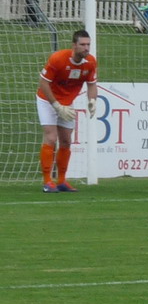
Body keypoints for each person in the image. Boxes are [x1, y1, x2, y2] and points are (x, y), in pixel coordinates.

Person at [36, 29, 98, 193]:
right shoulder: (58, 58)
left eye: (88, 44)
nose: (86, 48)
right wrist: (56, 105)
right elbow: (43, 83)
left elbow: (92, 84)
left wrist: (92, 101)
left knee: (66, 141)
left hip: (67, 103)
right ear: (74, 45)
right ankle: (48, 181)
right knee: (51, 137)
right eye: (83, 44)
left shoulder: (91, 62)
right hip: (47, 100)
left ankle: (62, 181)